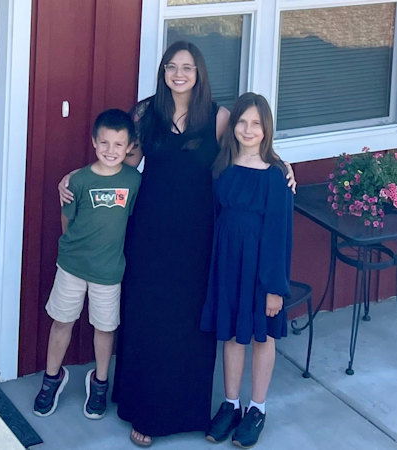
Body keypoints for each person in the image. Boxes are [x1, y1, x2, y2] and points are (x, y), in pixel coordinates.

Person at [58, 41, 296, 447]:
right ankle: (144, 410)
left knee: (189, 320)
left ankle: (186, 411)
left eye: (187, 66)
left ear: (199, 72)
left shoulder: (219, 117)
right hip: (150, 229)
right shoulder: (145, 113)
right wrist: (76, 179)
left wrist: (283, 165)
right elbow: (121, 162)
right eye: (172, 66)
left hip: (200, 233)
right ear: (164, 72)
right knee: (149, 316)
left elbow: (249, 151)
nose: (179, 73)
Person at [33, 109, 141, 421]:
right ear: (94, 142)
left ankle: (99, 383)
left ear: (129, 147)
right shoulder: (77, 181)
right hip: (72, 267)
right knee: (62, 322)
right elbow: (67, 221)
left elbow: (133, 219)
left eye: (119, 145)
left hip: (109, 272)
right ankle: (52, 378)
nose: (111, 151)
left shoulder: (133, 181)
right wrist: (77, 252)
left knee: (105, 328)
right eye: (104, 143)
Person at [200, 93, 292, 448]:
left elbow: (279, 236)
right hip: (227, 262)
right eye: (242, 122)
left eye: (256, 123)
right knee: (231, 335)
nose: (248, 129)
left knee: (261, 336)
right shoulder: (221, 166)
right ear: (232, 125)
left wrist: (274, 287)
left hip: (261, 267)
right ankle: (231, 403)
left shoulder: (275, 176)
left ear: (266, 128)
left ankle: (257, 408)